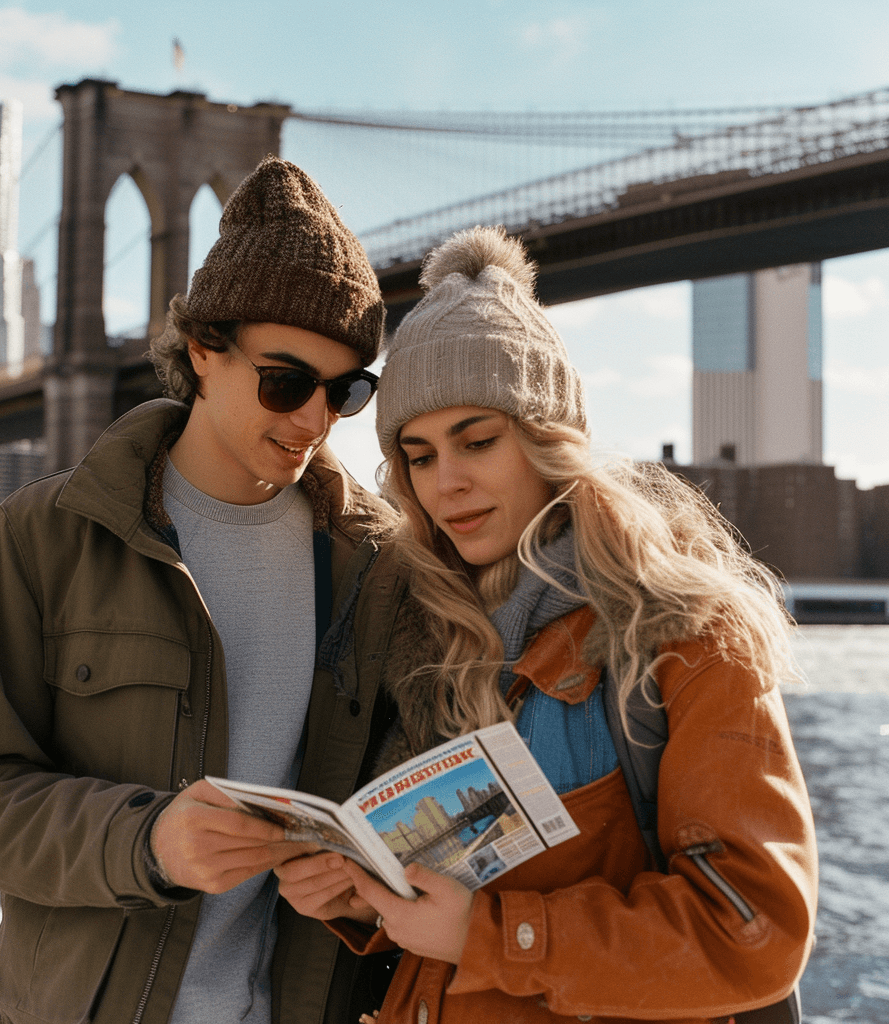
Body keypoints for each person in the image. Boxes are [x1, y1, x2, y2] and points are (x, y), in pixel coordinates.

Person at [0, 156, 409, 1024]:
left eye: (346, 391)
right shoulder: (47, 535)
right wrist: (145, 840)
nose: (314, 421)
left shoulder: (377, 565)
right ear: (204, 349)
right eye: (286, 382)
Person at [275, 226, 819, 1024]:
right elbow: (444, 920)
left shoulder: (684, 634)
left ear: (551, 442)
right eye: (419, 456)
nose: (446, 484)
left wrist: (494, 935)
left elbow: (754, 933)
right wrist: (360, 897)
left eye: (478, 441)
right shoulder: (426, 637)